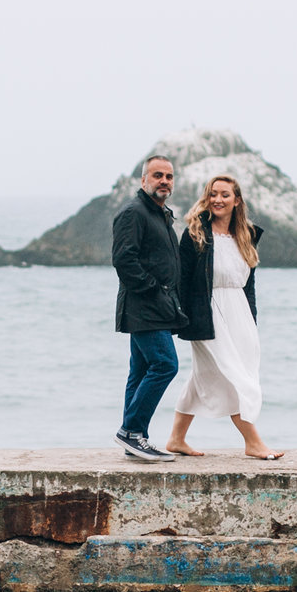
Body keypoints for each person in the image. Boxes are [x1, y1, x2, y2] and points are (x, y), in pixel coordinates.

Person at [165, 175, 283, 460]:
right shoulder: (195, 233)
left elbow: (249, 285)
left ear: (237, 200)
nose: (218, 199)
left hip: (239, 313)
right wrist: (182, 318)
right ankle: (252, 442)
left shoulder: (247, 235)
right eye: (213, 194)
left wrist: (251, 320)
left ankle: (176, 439)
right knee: (234, 376)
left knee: (204, 376)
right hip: (206, 312)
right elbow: (181, 280)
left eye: (225, 195)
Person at [110, 156, 183, 462]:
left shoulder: (160, 214)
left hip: (155, 307)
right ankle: (131, 431)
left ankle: (134, 439)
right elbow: (124, 260)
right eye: (157, 175)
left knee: (140, 371)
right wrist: (154, 289)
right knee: (166, 365)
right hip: (145, 306)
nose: (164, 180)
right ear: (143, 180)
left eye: (168, 176)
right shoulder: (134, 212)